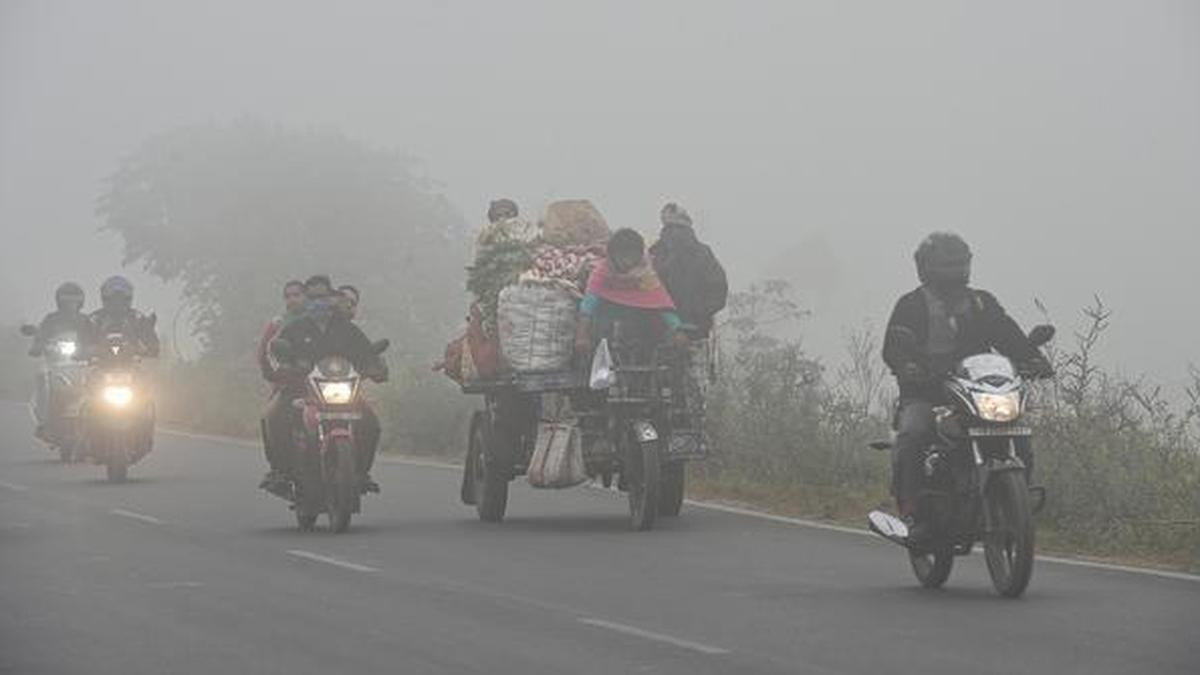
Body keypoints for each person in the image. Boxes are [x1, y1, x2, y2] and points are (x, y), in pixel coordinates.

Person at [881, 233, 1052, 541]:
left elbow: (1008, 336)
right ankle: (913, 513)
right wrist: (907, 365)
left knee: (1020, 435)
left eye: (960, 264)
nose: (955, 271)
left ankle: (1016, 505)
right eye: (947, 265)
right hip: (927, 395)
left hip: (976, 393)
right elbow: (894, 345)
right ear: (927, 268)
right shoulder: (911, 305)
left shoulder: (982, 303)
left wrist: (1033, 358)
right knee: (912, 434)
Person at [263, 275, 386, 495]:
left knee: (371, 423)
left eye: (323, 297)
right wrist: (283, 368)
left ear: (332, 298)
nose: (318, 302)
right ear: (306, 301)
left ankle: (362, 473)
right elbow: (274, 351)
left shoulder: (347, 329)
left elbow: (366, 353)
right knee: (273, 417)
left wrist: (376, 367)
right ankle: (280, 472)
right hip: (299, 390)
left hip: (344, 393)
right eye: (312, 297)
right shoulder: (294, 328)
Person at [575, 228, 687, 355]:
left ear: (638, 255)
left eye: (631, 255)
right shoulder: (602, 272)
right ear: (612, 255)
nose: (627, 261)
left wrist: (677, 330)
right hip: (606, 332)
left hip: (641, 332)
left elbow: (662, 304)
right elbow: (588, 306)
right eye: (622, 256)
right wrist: (582, 336)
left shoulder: (646, 276)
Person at [649, 203, 728, 338]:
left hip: (689, 330)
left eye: (678, 228)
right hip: (664, 331)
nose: (675, 233)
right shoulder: (655, 254)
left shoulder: (702, 254)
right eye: (671, 228)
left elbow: (718, 291)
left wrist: (697, 313)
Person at [256, 280, 306, 491]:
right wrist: (276, 377)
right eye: (288, 295)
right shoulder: (278, 324)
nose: (292, 299)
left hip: (326, 385)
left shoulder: (324, 321)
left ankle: (359, 470)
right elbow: (264, 354)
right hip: (290, 385)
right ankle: (279, 470)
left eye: (297, 294)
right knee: (271, 418)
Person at [28, 282, 92, 440]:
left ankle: (101, 422)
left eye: (74, 301)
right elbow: (40, 336)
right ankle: (44, 422)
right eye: (66, 302)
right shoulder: (51, 320)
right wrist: (37, 345)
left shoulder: (87, 321)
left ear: (80, 302)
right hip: (56, 364)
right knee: (42, 377)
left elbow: (95, 338)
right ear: (59, 302)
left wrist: (96, 348)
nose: (70, 305)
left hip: (82, 364)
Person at [87, 276, 160, 358]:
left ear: (128, 300)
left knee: (153, 370)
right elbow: (82, 340)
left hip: (132, 364)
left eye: (121, 299)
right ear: (106, 299)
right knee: (80, 370)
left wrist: (149, 348)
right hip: (99, 364)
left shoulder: (137, 318)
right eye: (113, 299)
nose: (117, 304)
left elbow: (151, 341)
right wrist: (88, 350)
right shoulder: (95, 319)